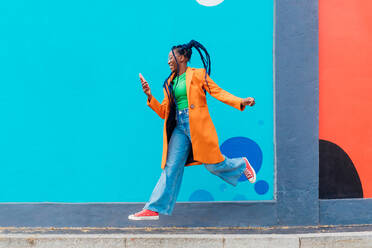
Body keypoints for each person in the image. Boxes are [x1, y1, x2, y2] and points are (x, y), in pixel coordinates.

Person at [129, 40, 256, 220]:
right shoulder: (169, 83)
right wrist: (149, 96)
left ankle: (241, 164)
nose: (168, 61)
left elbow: (218, 92)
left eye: (170, 57)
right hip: (180, 127)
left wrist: (240, 101)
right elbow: (165, 111)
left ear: (182, 57)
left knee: (213, 166)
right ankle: (153, 208)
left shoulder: (198, 75)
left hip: (198, 126)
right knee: (171, 167)